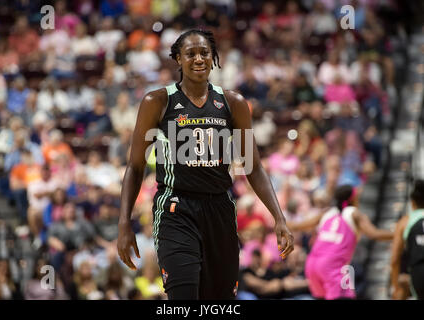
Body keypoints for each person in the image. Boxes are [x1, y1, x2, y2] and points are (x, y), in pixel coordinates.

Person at [117, 29, 294, 300]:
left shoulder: (232, 102)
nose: (198, 59)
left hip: (220, 209)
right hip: (176, 208)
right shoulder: (158, 101)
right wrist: (123, 223)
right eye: (190, 54)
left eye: (204, 53)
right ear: (178, 59)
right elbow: (135, 166)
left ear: (214, 58)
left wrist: (279, 217)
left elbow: (253, 166)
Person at [287, 185, 393, 300]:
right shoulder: (354, 213)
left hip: (312, 265)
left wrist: (278, 221)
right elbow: (374, 234)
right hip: (332, 267)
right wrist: (400, 233)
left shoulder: (327, 212)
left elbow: (297, 226)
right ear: (352, 199)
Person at [390, 179, 424, 300]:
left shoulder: (405, 221)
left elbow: (394, 258)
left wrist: (395, 287)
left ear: (412, 203)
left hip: (418, 272)